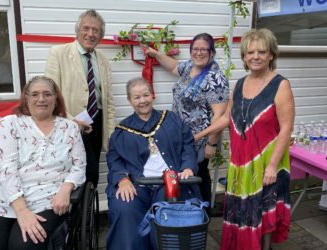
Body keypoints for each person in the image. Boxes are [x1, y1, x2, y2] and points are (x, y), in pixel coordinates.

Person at [194, 28, 295, 250]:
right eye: (250, 53)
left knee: (263, 214)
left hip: (268, 162)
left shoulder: (281, 85)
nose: (255, 57)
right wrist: (199, 135)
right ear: (244, 57)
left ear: (271, 55)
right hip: (241, 161)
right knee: (244, 212)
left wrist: (271, 166)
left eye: (261, 52)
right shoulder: (239, 84)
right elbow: (228, 118)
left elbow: (286, 129)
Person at [0, 76, 86, 250]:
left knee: (23, 246)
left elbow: (79, 166)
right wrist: (22, 211)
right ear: (26, 99)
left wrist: (66, 188)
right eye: (35, 94)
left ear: (55, 98)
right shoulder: (10, 123)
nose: (41, 99)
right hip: (2, 196)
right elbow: (7, 170)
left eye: (47, 94)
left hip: (46, 199)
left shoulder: (70, 127)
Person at [106, 77, 201, 250]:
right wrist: (122, 179)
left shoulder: (171, 119)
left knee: (170, 205)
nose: (142, 101)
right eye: (137, 97)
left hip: (170, 182)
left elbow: (188, 144)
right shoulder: (122, 130)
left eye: (146, 95)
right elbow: (114, 159)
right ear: (129, 100)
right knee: (124, 208)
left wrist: (188, 166)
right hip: (137, 184)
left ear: (152, 95)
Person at [143, 33, 229, 211]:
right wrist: (155, 54)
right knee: (186, 171)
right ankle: (185, 209)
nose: (199, 53)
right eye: (195, 49)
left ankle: (202, 211)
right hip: (181, 135)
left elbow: (219, 116)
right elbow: (174, 66)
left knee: (199, 173)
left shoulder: (215, 78)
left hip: (200, 139)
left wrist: (211, 144)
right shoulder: (190, 67)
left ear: (211, 52)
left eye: (203, 49)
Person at [45, 9, 115, 187]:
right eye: (86, 28)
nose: (90, 34)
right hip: (69, 122)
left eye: (95, 30)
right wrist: (72, 121)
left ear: (100, 35)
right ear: (77, 31)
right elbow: (49, 95)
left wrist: (111, 135)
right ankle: (75, 213)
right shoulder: (58, 53)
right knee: (74, 174)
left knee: (92, 174)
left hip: (96, 123)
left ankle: (89, 212)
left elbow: (108, 102)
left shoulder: (103, 61)